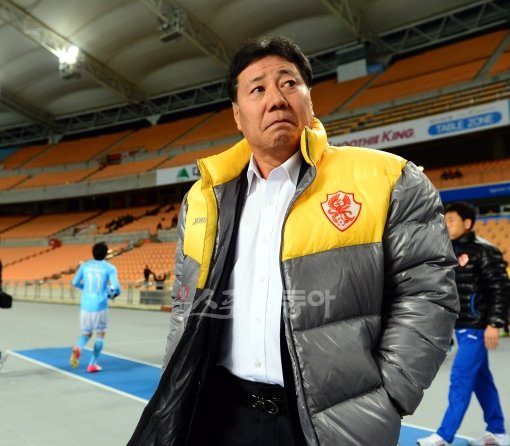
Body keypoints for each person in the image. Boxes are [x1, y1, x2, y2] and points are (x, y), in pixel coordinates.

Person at [128, 35, 459, 446]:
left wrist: (389, 395)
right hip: (220, 415)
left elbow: (428, 294)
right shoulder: (203, 200)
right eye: (257, 89)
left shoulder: (388, 179)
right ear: (237, 115)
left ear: (309, 98)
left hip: (330, 422)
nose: (276, 99)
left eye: (289, 83)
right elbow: (184, 304)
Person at [418, 202, 510, 446]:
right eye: (445, 220)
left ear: (467, 223)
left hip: (476, 328)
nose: (446, 225)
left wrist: (494, 323)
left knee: (460, 377)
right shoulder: (448, 250)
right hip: (460, 326)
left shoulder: (484, 251)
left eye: (451, 220)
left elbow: (500, 289)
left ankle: (444, 436)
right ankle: (498, 432)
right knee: (482, 381)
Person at [70, 241, 120, 373]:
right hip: (100, 306)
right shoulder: (110, 268)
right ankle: (92, 364)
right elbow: (116, 288)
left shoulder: (85, 266)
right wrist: (111, 294)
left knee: (86, 333)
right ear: (106, 254)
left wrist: (84, 288)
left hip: (86, 305)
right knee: (100, 334)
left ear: (93, 253)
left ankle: (78, 348)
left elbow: (74, 282)